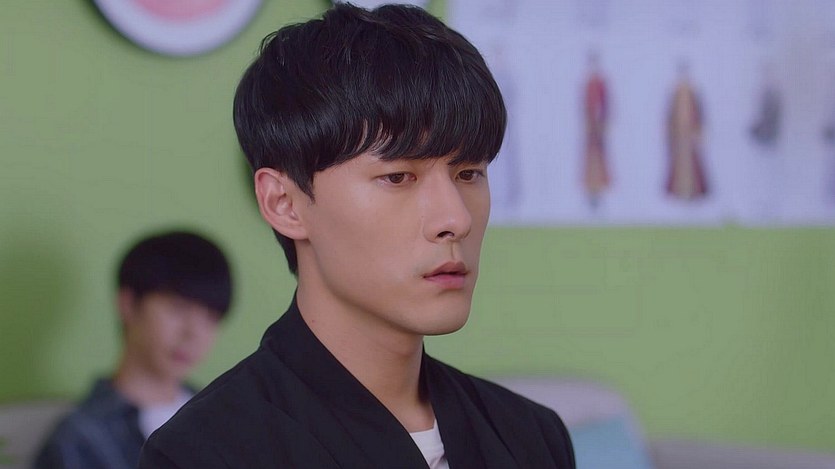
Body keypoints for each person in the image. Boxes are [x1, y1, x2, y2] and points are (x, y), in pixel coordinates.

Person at [140, 4, 575, 468]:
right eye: (398, 177)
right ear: (284, 203)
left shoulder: (531, 436)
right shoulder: (204, 453)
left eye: (469, 173)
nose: (455, 219)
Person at [33, 231, 232, 469]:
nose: (194, 333)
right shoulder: (78, 441)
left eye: (211, 318)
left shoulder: (222, 417)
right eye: (178, 308)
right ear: (128, 304)